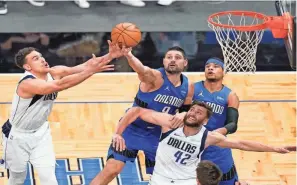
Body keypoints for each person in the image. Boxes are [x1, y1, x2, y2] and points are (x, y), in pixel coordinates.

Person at [1, 47, 114, 185]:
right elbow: (61, 85)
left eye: (41, 56)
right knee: (17, 178)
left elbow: (86, 65)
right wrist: (90, 72)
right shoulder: (27, 83)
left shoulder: (55, 71)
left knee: (49, 179)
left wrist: (112, 54)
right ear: (27, 66)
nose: (42, 59)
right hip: (17, 136)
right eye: (35, 58)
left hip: (41, 133)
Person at [112, 100, 295, 185]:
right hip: (160, 180)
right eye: (192, 110)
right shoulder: (170, 123)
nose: (192, 113)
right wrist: (117, 134)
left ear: (205, 121)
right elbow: (136, 111)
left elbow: (242, 144)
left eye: (199, 113)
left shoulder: (208, 137)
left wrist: (276, 148)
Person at [90, 42, 194, 185]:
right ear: (163, 61)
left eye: (177, 57)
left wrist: (184, 114)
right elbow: (142, 70)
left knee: (165, 177)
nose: (173, 60)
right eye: (169, 57)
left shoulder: (188, 86)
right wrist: (129, 56)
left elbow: (186, 107)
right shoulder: (155, 77)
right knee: (112, 169)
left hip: (158, 134)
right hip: (133, 127)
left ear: (185, 62)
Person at [193, 57, 240, 185]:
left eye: (215, 66)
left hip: (218, 147)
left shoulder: (230, 95)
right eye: (207, 66)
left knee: (227, 181)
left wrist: (220, 131)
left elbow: (233, 124)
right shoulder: (193, 89)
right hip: (194, 145)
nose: (210, 68)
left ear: (223, 72)